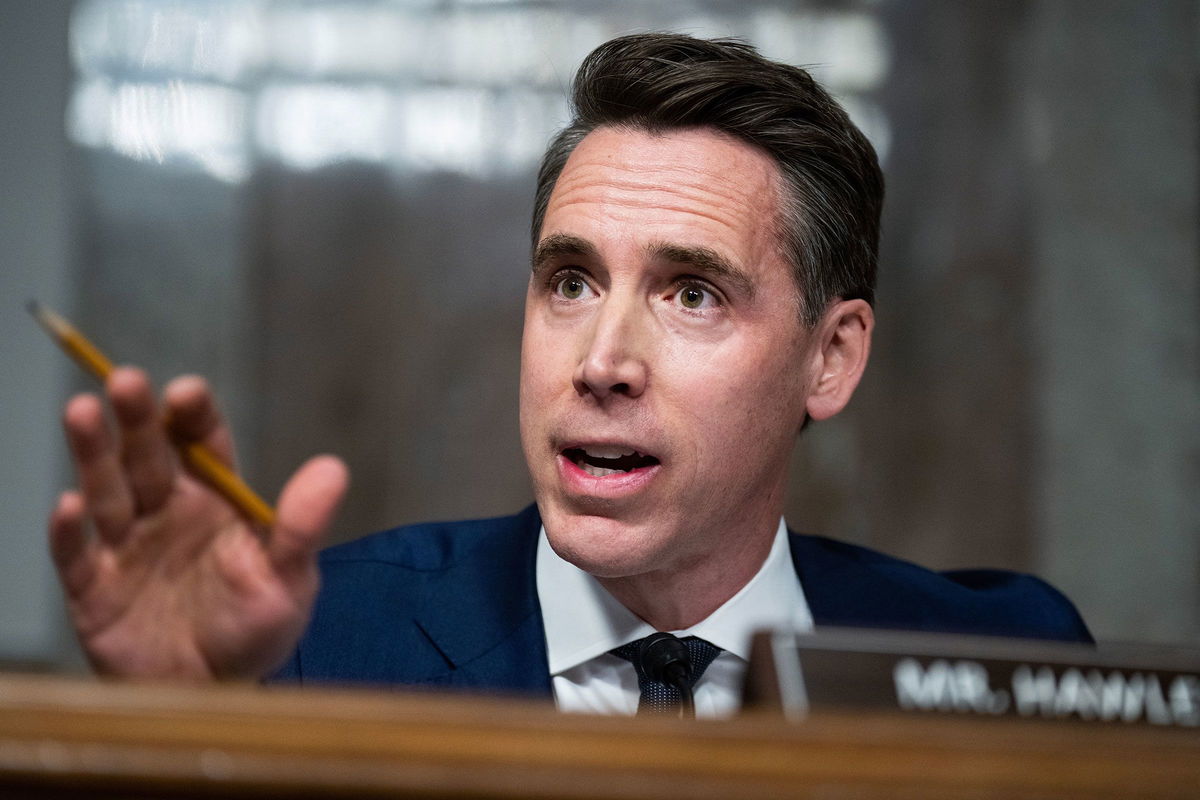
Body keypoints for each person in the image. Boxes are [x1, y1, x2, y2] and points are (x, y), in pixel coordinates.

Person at [48, 34, 1090, 716]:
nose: (601, 362)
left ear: (832, 355)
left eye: (692, 293)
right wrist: (174, 721)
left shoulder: (1004, 661)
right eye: (572, 281)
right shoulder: (309, 649)